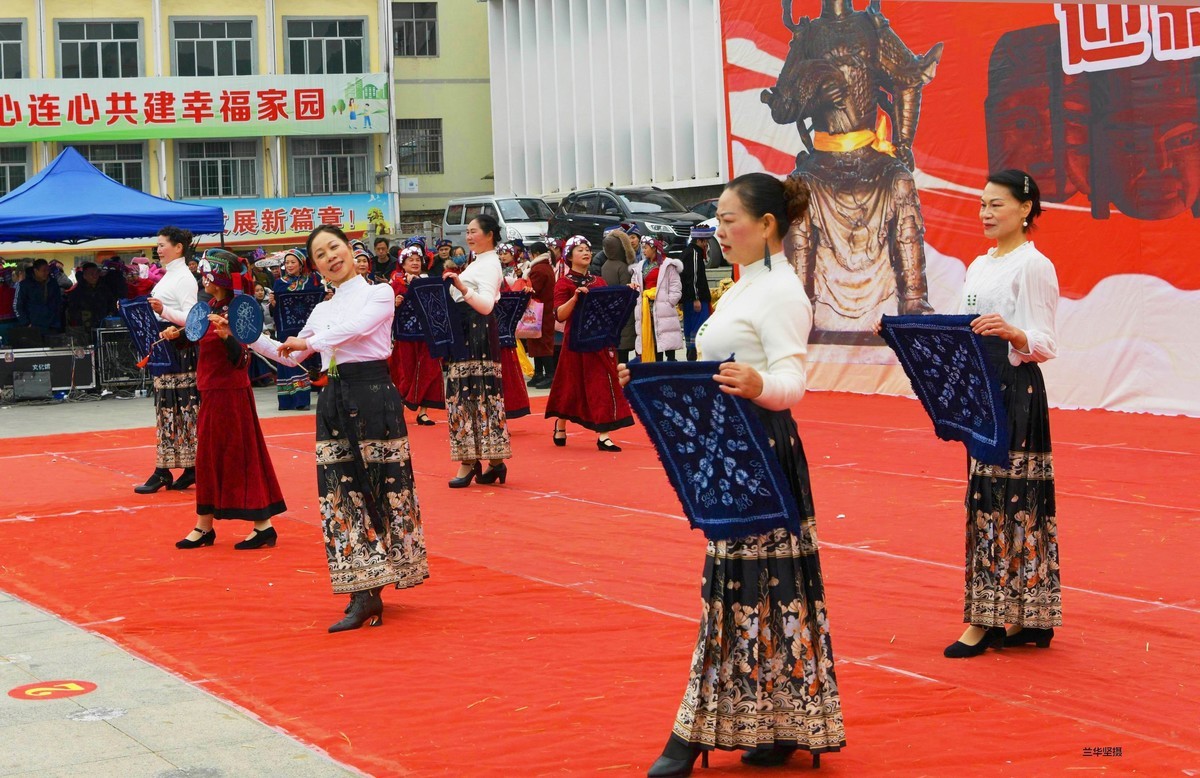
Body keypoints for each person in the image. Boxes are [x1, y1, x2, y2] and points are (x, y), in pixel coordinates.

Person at [625, 173, 845, 775]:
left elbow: (792, 381)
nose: (719, 230)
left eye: (729, 219)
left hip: (762, 452)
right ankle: (777, 724)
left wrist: (759, 385)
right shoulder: (745, 287)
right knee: (752, 588)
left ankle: (698, 731)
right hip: (732, 450)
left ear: (767, 225)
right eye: (717, 220)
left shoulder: (781, 292)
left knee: (757, 588)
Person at [251, 225, 429, 632]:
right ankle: (363, 590)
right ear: (316, 268)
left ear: (350, 251)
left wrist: (309, 342)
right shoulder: (322, 308)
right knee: (341, 493)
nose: (330, 256)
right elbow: (290, 357)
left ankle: (379, 580)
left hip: (373, 394)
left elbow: (355, 331)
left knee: (383, 485)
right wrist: (249, 338)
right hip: (334, 398)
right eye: (320, 255)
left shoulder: (378, 294)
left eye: (334, 247)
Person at [944, 170, 1062, 657]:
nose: (986, 214)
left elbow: (1046, 342)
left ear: (1026, 208)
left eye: (996, 205)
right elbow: (959, 323)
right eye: (982, 205)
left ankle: (1001, 619)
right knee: (986, 502)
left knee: (1014, 504)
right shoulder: (977, 264)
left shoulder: (1034, 266)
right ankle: (1006, 616)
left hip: (1016, 392)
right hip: (983, 392)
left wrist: (1014, 333)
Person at [167, 250, 286, 551]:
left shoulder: (237, 310)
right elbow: (196, 338)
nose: (202, 278)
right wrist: (176, 336)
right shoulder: (210, 306)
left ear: (217, 276)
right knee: (209, 459)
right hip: (211, 391)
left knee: (239, 457)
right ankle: (207, 526)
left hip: (231, 395)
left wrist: (226, 337)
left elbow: (243, 358)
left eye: (206, 273)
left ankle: (260, 526)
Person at [441, 214, 512, 488]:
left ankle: (469, 462)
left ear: (489, 234)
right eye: (467, 232)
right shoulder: (479, 261)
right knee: (471, 396)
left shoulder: (490, 264)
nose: (468, 236)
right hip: (468, 334)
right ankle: (494, 462)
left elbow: (486, 306)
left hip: (478, 334)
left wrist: (460, 287)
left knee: (472, 396)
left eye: (473, 231)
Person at [545, 236, 633, 452]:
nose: (586, 252)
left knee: (602, 384)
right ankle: (561, 423)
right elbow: (559, 315)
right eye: (580, 250)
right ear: (569, 257)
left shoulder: (599, 281)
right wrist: (575, 298)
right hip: (574, 342)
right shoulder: (564, 283)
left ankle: (604, 435)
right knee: (569, 385)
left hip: (598, 341)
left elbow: (610, 306)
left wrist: (627, 292)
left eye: (587, 249)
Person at [136, 227, 200, 494]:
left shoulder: (184, 278)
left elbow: (192, 318)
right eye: (158, 245)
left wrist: (163, 310)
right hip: (166, 347)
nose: (159, 249)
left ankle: (169, 470)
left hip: (179, 351)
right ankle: (184, 468)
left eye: (163, 245)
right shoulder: (170, 276)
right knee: (169, 410)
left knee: (181, 410)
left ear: (178, 248)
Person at [387, 245, 443, 425]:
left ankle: (423, 412)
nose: (415, 263)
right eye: (410, 260)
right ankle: (400, 409)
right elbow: (384, 310)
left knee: (429, 370)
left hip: (427, 334)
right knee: (405, 372)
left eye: (418, 260)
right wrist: (394, 303)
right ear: (402, 264)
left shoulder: (428, 282)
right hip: (405, 335)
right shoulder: (395, 284)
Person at [271, 249, 322, 411]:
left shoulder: (313, 280)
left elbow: (319, 298)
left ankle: (315, 391)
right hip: (287, 330)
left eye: (293, 262)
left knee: (310, 361)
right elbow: (275, 310)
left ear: (301, 264)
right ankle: (295, 400)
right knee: (291, 361)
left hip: (309, 329)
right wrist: (273, 304)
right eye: (287, 263)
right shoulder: (279, 283)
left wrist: (324, 295)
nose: (289, 265)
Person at [633, 237, 683, 362]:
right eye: (642, 248)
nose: (643, 251)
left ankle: (671, 367)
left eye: (645, 248)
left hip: (663, 306)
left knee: (667, 338)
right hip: (646, 306)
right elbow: (636, 281)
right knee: (653, 339)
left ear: (654, 248)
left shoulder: (667, 264)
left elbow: (675, 285)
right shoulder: (640, 266)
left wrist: (670, 301)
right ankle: (657, 366)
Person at [497, 244, 531, 419]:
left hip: (505, 327)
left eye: (506, 253)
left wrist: (524, 290)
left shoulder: (520, 269)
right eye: (500, 253)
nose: (503, 256)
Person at [598, 228, 638, 365]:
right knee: (623, 350)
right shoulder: (622, 267)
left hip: (610, 311)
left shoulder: (605, 266)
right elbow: (626, 290)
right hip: (623, 313)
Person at [523, 241, 557, 388]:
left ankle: (549, 375)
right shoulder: (545, 267)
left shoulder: (538, 269)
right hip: (543, 311)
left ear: (535, 254)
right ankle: (539, 373)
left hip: (540, 312)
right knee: (536, 342)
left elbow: (533, 289)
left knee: (542, 343)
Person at [679, 226, 713, 361]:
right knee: (698, 329)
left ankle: (692, 357)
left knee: (690, 328)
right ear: (699, 240)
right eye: (705, 241)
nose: (706, 244)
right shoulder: (693, 254)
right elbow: (692, 277)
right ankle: (696, 358)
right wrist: (696, 298)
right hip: (695, 301)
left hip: (689, 299)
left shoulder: (688, 252)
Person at [65, 262, 117, 341]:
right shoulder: (76, 292)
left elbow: (112, 305)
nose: (95, 276)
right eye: (91, 274)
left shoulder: (104, 289)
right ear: (84, 276)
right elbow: (73, 313)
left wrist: (110, 316)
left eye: (96, 273)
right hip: (84, 330)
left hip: (103, 328)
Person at [15, 259, 63, 334]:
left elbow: (58, 302)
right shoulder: (24, 285)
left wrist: (56, 321)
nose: (46, 273)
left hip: (52, 326)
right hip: (33, 327)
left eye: (48, 270)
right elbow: (17, 306)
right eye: (43, 271)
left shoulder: (53, 283)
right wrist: (26, 323)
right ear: (35, 270)